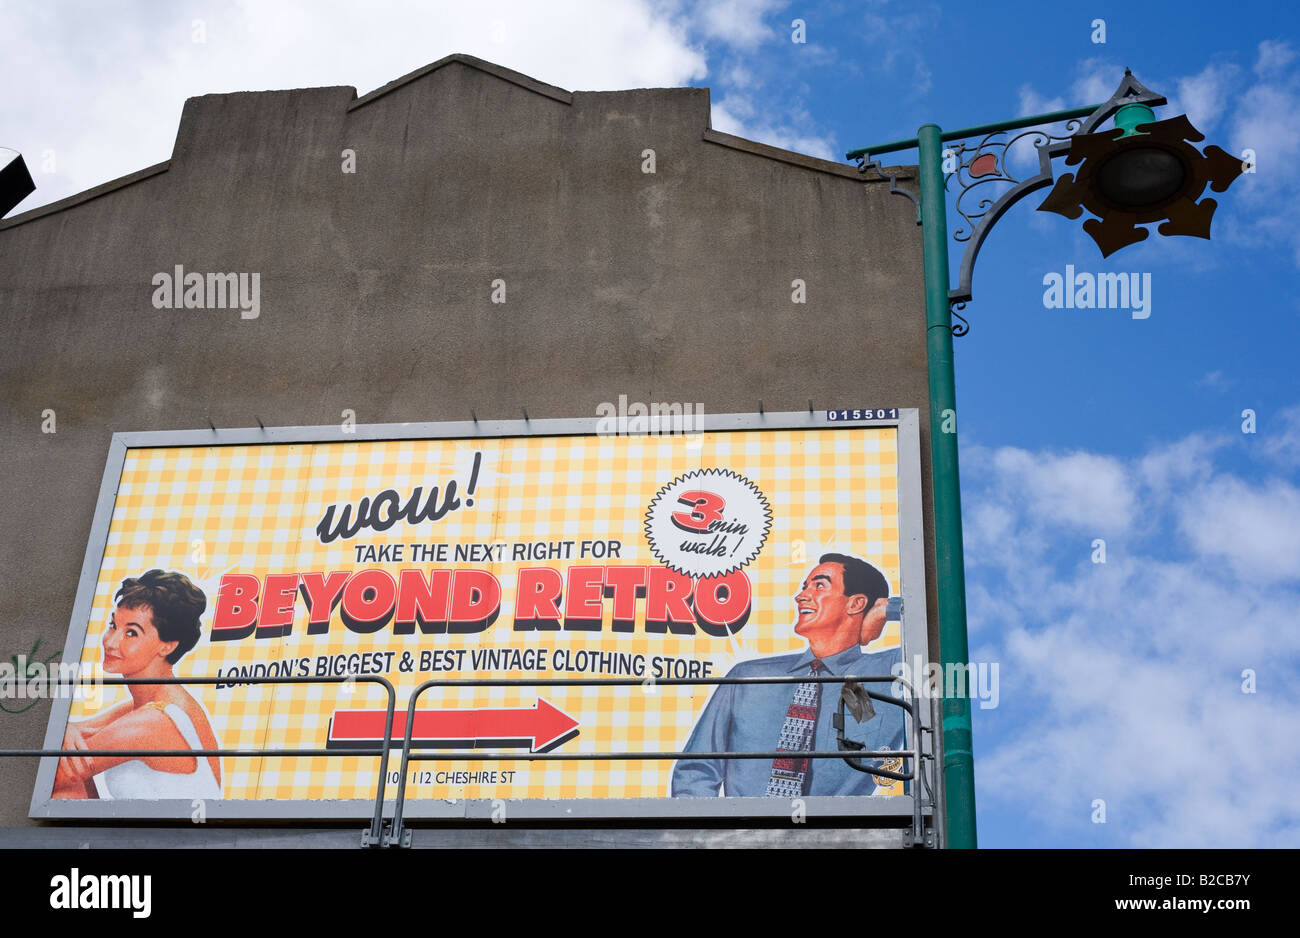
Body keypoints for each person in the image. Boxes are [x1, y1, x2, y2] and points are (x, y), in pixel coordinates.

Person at [671, 553, 905, 797]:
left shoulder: (888, 675)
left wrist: (884, 610)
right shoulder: (748, 678)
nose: (801, 596)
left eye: (819, 585)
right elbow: (695, 771)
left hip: (835, 832)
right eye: (805, 586)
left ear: (856, 604)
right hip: (743, 831)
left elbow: (941, 635)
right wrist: (713, 833)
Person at [53, 569, 223, 800]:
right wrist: (67, 728)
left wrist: (66, 731)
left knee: (63, 785)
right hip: (149, 833)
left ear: (167, 646)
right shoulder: (149, 705)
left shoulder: (156, 721)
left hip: (178, 835)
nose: (111, 642)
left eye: (131, 633)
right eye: (113, 625)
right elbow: (67, 736)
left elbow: (52, 773)